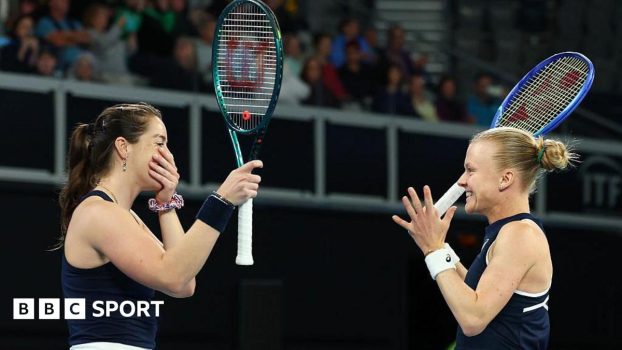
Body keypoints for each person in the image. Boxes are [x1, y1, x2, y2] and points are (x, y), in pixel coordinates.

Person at [57, 103, 262, 349]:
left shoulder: (123, 215)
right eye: (160, 142)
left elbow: (184, 283)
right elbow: (173, 277)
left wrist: (166, 204)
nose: (168, 155)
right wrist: (221, 201)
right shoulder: (98, 213)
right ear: (123, 148)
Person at [392, 127, 576, 349]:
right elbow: (475, 294)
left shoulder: (520, 235)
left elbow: (473, 318)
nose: (461, 181)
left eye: (470, 171)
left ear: (505, 179)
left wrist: (435, 250)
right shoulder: (507, 232)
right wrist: (437, 246)